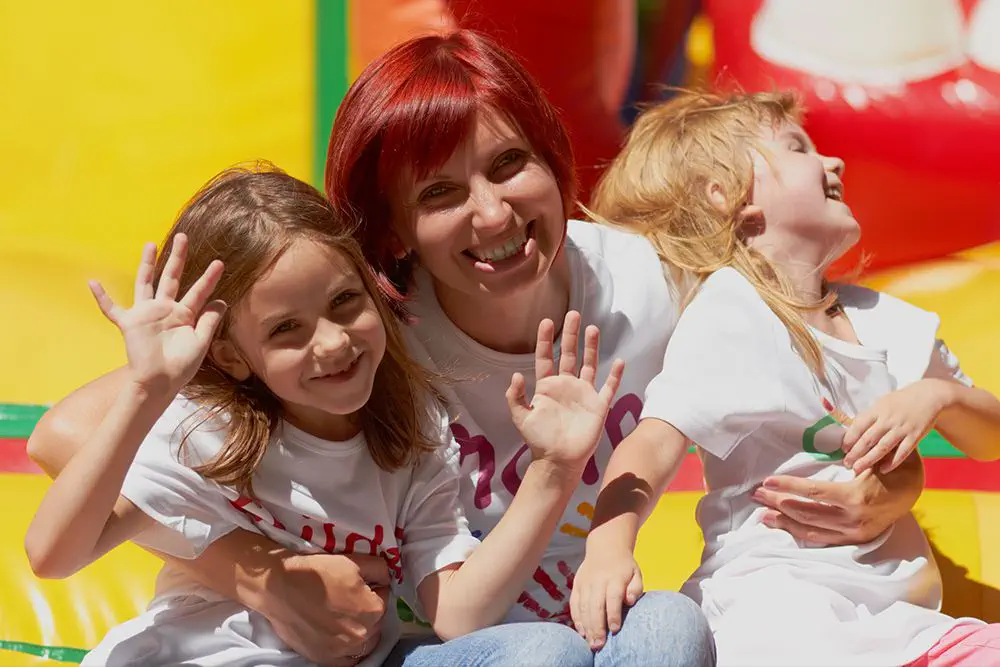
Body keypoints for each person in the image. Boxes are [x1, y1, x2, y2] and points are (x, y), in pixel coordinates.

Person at [27, 31, 921, 666]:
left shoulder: (656, 284)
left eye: (509, 166)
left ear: (553, 159)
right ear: (396, 231)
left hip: (594, 614)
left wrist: (895, 486)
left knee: (670, 636)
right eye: (441, 193)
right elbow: (65, 434)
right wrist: (265, 576)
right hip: (428, 633)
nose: (492, 216)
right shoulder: (368, 330)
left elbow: (825, 374)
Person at [26, 164, 629, 666]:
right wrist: (144, 391)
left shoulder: (412, 435)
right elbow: (53, 556)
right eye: (287, 329)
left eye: (345, 302)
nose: (334, 343)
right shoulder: (205, 431)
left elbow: (460, 611)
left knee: (544, 653)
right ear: (233, 355)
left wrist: (554, 467)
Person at [570, 90, 1000, 666]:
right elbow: (654, 440)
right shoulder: (734, 309)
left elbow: (989, 439)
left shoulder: (891, 322)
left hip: (905, 622)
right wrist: (608, 545)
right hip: (776, 607)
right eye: (798, 148)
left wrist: (939, 396)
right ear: (728, 196)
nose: (835, 163)